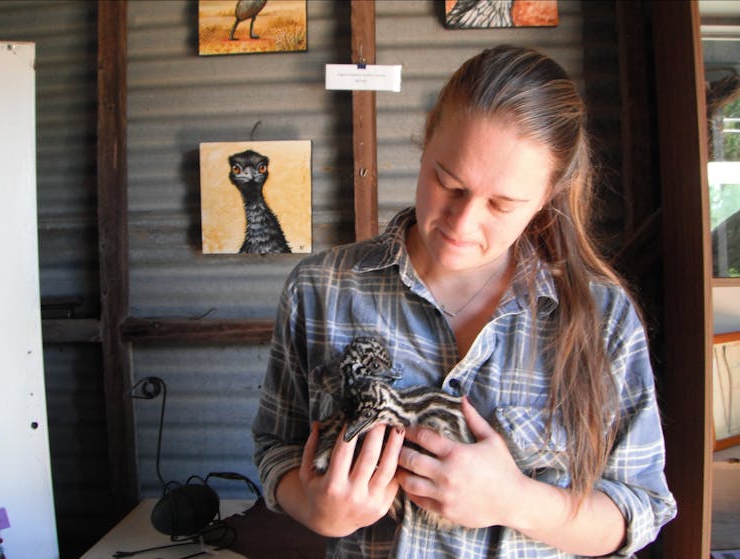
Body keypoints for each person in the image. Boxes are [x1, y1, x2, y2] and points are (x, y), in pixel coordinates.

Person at [252, 44, 677, 558]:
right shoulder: (320, 291)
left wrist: (515, 500)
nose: (461, 223)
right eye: (447, 183)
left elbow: (640, 507)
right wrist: (314, 507)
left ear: (548, 195)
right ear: (427, 136)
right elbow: (277, 450)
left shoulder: (602, 318)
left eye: (502, 204)